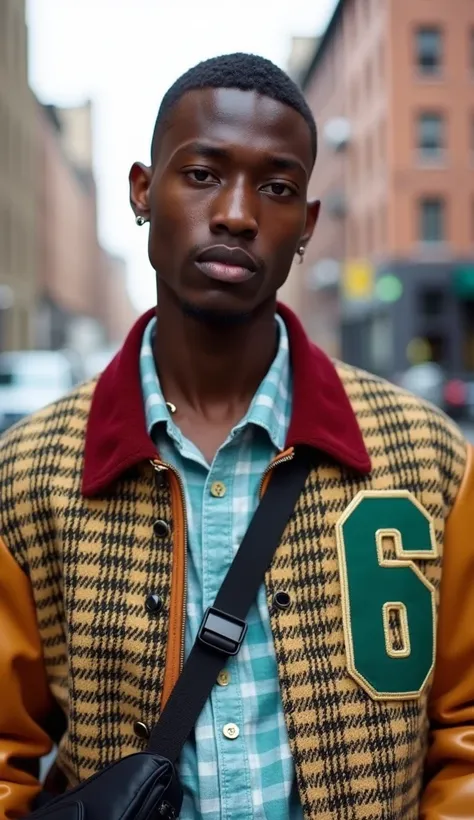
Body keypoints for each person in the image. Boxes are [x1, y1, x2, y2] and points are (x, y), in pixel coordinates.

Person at [0, 52, 473, 820]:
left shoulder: (429, 456)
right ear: (142, 191)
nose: (238, 213)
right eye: (203, 174)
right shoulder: (28, 474)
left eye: (278, 187)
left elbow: (466, 731)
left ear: (309, 225)